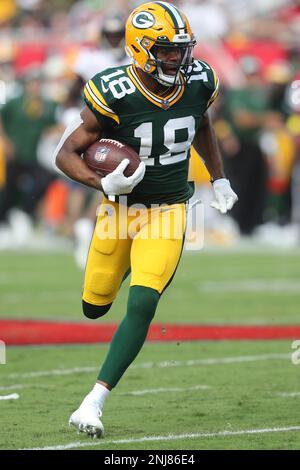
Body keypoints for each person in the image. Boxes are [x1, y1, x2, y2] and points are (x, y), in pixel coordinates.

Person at [55, 1, 238, 438]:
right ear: (140, 50)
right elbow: (65, 153)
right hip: (120, 210)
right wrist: (103, 186)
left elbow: (203, 125)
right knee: (94, 307)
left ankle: (93, 401)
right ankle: (131, 266)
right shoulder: (113, 90)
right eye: (167, 50)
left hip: (171, 209)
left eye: (182, 49)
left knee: (143, 301)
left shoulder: (199, 81)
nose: (178, 59)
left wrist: (219, 178)